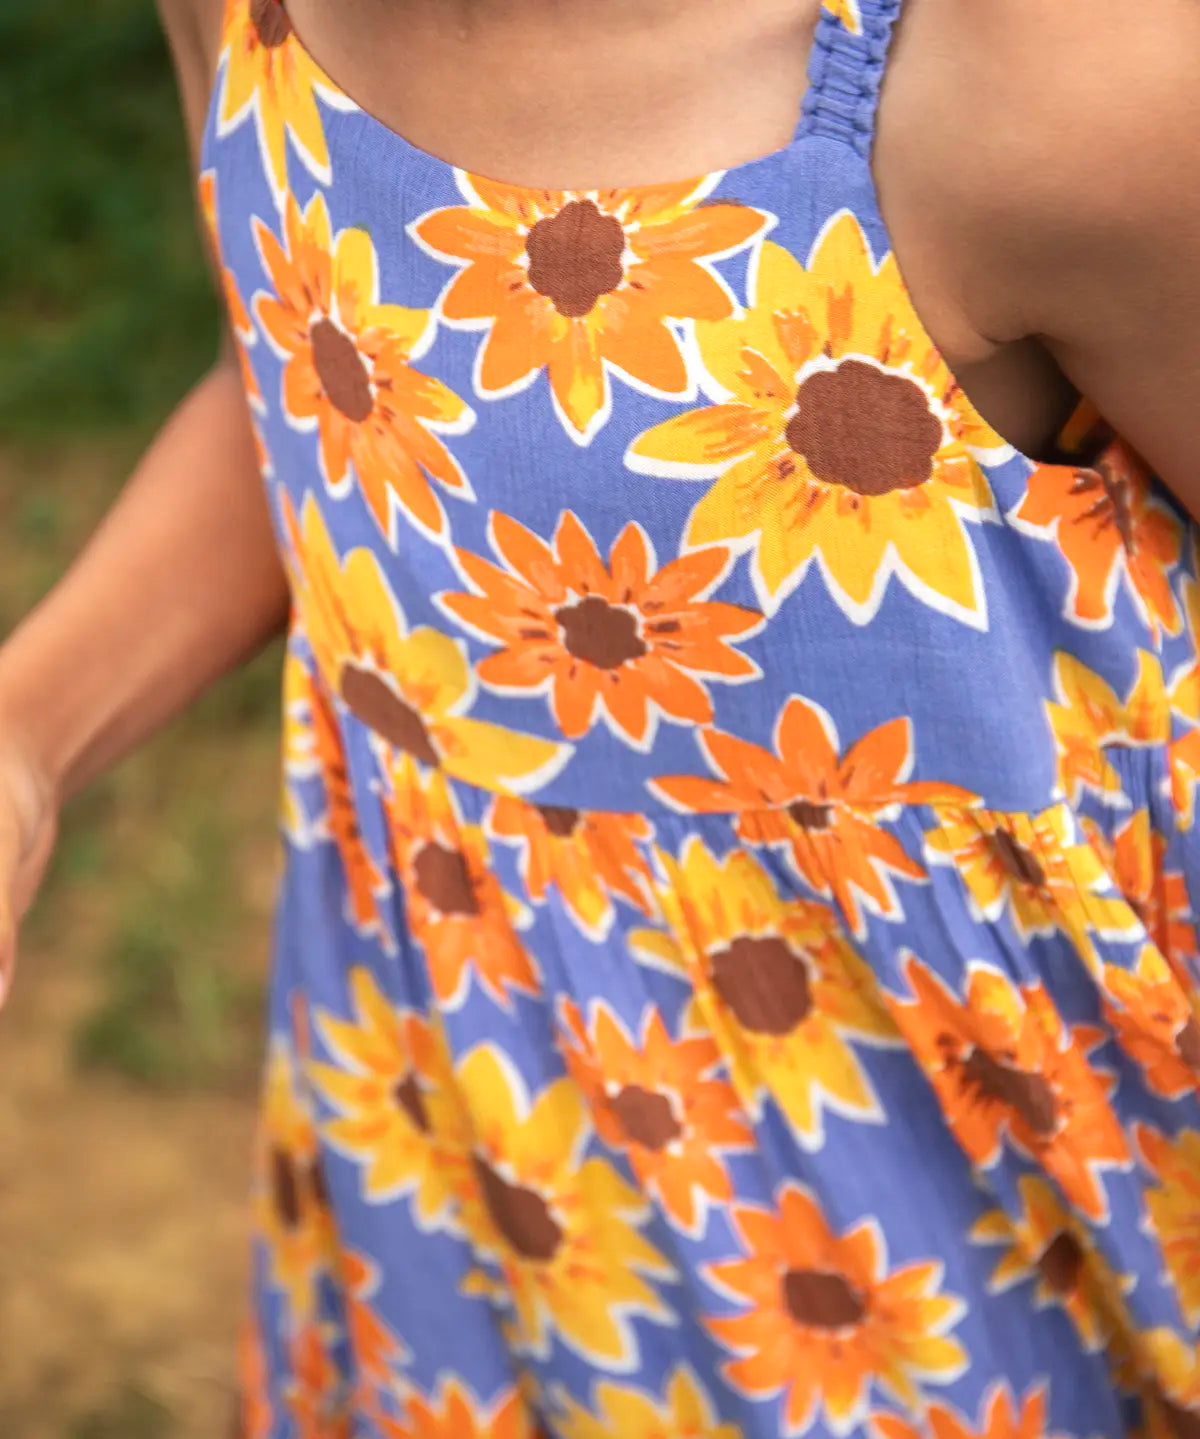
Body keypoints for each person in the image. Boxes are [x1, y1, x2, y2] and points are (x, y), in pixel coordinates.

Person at [3, 0, 1199, 1432]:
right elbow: (316, 384)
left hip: (1001, 1214)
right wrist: (28, 736)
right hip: (480, 1161)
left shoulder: (1045, 75)